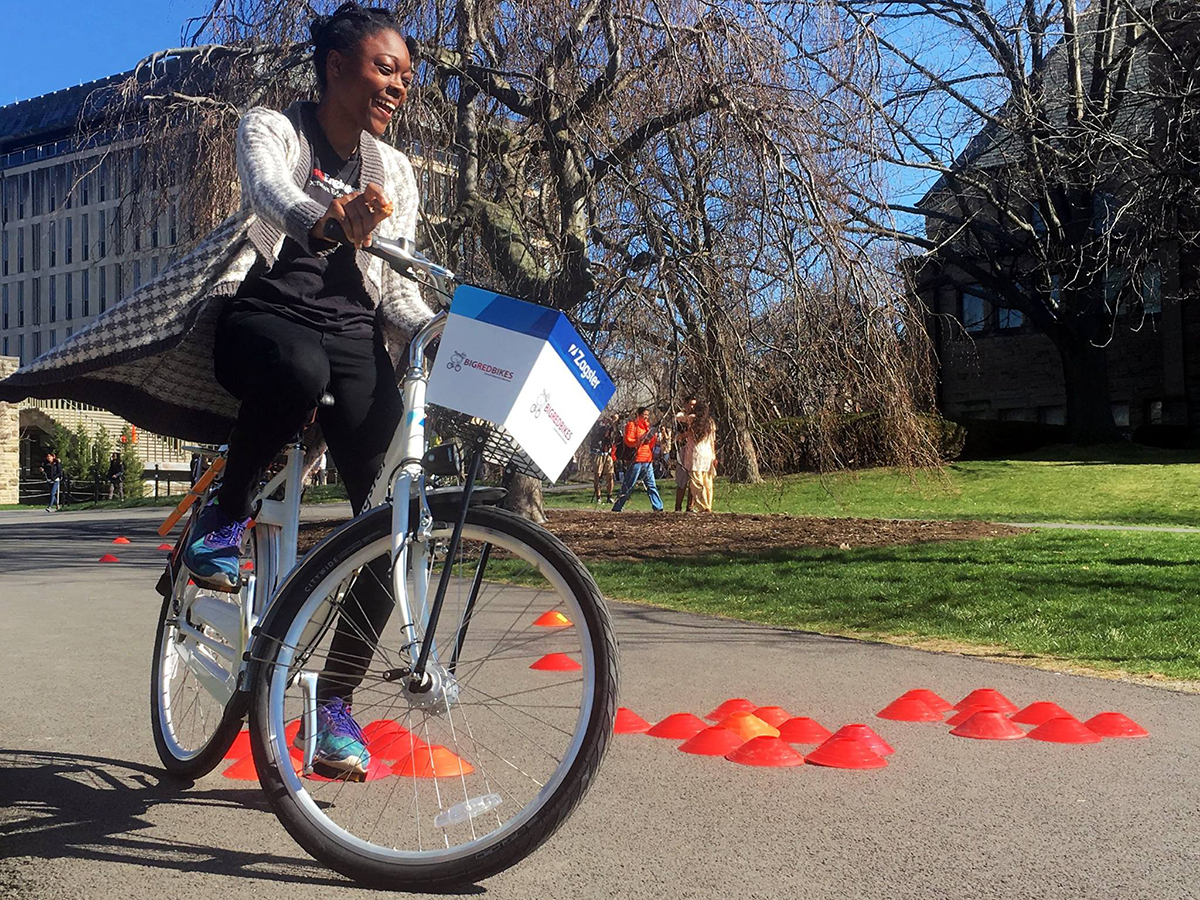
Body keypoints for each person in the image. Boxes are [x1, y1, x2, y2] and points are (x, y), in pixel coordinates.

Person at [0, 3, 434, 780]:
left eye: (405, 73)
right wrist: (329, 217)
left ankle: (334, 705)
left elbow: (396, 290)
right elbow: (269, 195)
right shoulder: (271, 126)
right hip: (261, 317)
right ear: (336, 65)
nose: (398, 84)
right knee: (295, 370)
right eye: (383, 67)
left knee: (396, 514)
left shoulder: (396, 171)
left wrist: (435, 327)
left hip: (354, 341)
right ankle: (222, 523)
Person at [611, 407, 664, 512]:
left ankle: (658, 507)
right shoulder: (632, 425)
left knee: (651, 485)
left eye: (648, 415)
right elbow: (628, 441)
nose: (646, 417)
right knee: (629, 485)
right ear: (638, 415)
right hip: (636, 459)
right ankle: (617, 507)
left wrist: (654, 437)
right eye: (644, 414)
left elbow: (651, 445)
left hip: (647, 459)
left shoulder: (648, 427)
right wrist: (639, 441)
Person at [684, 402, 718, 512]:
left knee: (696, 482)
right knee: (708, 482)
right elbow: (712, 441)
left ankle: (703, 506)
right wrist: (714, 456)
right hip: (707, 454)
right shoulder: (710, 423)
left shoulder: (691, 419)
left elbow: (679, 417)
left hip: (695, 454)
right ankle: (708, 504)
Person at [673, 395, 698, 512]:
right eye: (691, 404)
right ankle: (678, 507)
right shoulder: (680, 417)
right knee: (682, 481)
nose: (692, 407)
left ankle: (690, 507)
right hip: (683, 450)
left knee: (692, 481)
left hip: (693, 451)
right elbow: (679, 435)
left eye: (694, 404)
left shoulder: (698, 418)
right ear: (686, 404)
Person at [587, 415, 618, 504]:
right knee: (597, 475)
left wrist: (614, 423)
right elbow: (601, 434)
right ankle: (598, 497)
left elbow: (614, 436)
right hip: (597, 452)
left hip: (607, 453)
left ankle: (609, 496)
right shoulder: (598, 424)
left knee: (610, 474)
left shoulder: (613, 426)